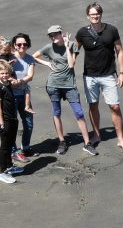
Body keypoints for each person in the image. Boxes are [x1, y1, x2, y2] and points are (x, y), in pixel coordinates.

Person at [33, 24, 97, 156]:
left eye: (55, 34)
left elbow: (71, 64)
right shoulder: (48, 47)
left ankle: (87, 143)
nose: (53, 37)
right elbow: (33, 56)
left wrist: (67, 46)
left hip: (69, 86)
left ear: (61, 33)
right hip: (53, 85)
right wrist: (47, 63)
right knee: (56, 113)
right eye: (50, 35)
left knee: (79, 113)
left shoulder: (72, 45)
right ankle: (62, 141)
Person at [75, 2, 123, 153]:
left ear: (101, 14)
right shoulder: (82, 33)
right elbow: (74, 52)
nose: (95, 16)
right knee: (93, 105)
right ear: (88, 16)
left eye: (97, 13)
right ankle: (97, 135)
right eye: (92, 14)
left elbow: (119, 51)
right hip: (90, 77)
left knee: (115, 106)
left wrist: (122, 73)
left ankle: (121, 139)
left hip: (108, 75)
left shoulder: (111, 30)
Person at [0, 60, 24, 184]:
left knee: (10, 144)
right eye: (2, 73)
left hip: (13, 118)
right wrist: (2, 123)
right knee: (4, 147)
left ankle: (10, 166)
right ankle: (2, 172)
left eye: (6, 73)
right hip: (4, 120)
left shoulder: (7, 83)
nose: (4, 75)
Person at [9, 32, 36, 161]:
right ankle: (14, 151)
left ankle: (25, 148)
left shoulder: (30, 59)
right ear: (14, 45)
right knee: (13, 124)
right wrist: (11, 80)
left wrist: (19, 82)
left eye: (25, 44)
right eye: (19, 44)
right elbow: (0, 71)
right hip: (10, 96)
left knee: (29, 124)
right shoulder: (9, 58)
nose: (22, 46)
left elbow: (30, 76)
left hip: (25, 95)